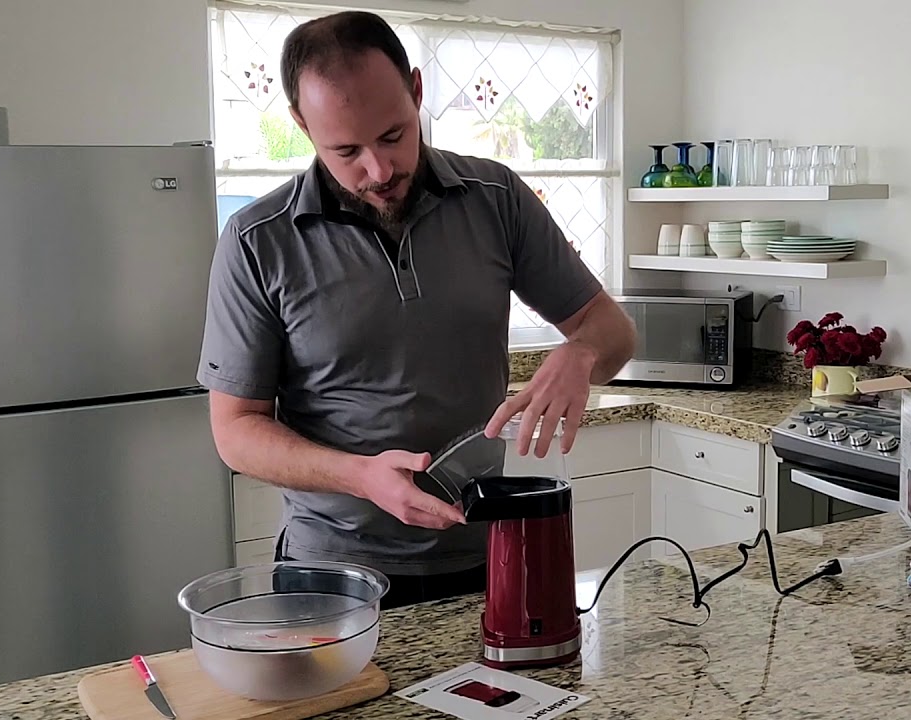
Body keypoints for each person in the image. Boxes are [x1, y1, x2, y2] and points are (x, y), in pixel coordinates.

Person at [197, 10, 636, 610]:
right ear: (302, 124)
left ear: (417, 91)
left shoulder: (497, 198)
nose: (378, 171)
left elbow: (613, 329)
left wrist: (581, 352)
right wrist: (361, 476)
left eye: (394, 136)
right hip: (333, 574)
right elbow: (236, 432)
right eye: (346, 150)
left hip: (492, 552)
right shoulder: (256, 240)